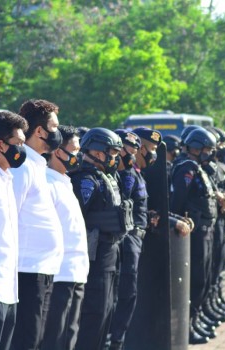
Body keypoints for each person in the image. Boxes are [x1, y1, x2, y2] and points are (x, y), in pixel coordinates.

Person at [10, 99, 64, 350]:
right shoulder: (22, 167)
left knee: (37, 339)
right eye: (54, 126)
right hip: (27, 270)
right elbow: (11, 216)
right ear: (40, 131)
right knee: (26, 340)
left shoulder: (37, 165)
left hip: (42, 268)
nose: (58, 132)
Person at [69, 127, 128, 350]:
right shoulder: (85, 180)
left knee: (107, 311)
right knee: (94, 313)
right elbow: (78, 220)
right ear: (97, 151)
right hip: (96, 256)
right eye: (111, 152)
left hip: (111, 252)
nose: (115, 158)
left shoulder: (106, 177)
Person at [109, 128, 161, 350]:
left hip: (136, 238)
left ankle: (118, 340)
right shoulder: (125, 175)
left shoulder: (135, 173)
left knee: (129, 294)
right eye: (130, 148)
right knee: (124, 293)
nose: (135, 151)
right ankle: (114, 341)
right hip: (127, 240)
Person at [170, 128, 221, 345]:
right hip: (195, 232)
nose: (209, 153)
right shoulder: (186, 168)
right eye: (207, 149)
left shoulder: (199, 168)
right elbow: (177, 201)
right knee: (196, 280)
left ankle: (195, 320)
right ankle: (187, 326)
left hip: (206, 230)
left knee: (204, 278)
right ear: (196, 148)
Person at [42, 125, 89, 350]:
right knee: (56, 337)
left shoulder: (65, 181)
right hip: (59, 274)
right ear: (57, 151)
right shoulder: (47, 183)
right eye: (74, 149)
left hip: (76, 271)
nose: (78, 155)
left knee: (70, 334)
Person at [0, 111, 28, 350]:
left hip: (7, 288)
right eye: (19, 144)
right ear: (0, 145)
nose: (23, 150)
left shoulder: (5, 177)